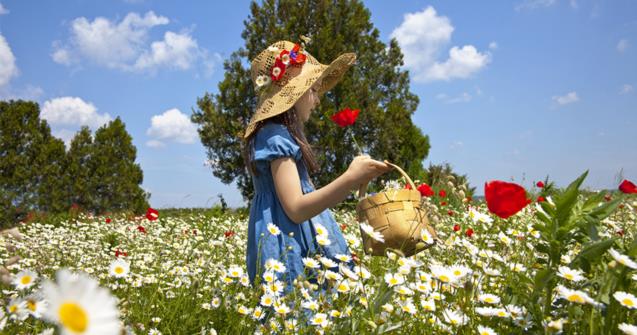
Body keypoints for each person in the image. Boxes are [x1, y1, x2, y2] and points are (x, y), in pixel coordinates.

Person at [241, 40, 392, 293]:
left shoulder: (279, 135)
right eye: (313, 90)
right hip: (288, 249)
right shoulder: (275, 136)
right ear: (293, 93)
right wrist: (351, 178)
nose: (317, 100)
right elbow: (297, 209)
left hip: (296, 239)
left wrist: (356, 180)